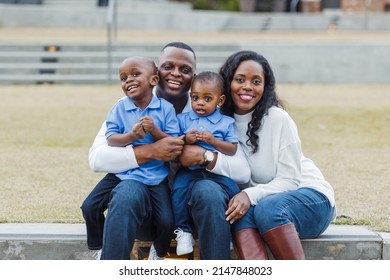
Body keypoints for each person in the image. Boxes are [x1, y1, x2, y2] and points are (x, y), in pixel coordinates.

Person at [83, 42, 250, 260]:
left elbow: (242, 171)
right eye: (168, 67)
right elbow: (97, 159)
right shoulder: (127, 104)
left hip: (193, 210)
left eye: (185, 70)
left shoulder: (208, 109)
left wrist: (204, 156)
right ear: (156, 73)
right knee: (127, 191)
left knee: (208, 190)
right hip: (148, 202)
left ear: (194, 77)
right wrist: (151, 151)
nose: (176, 74)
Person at [219, 50, 336, 260]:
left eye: (256, 81)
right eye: (239, 79)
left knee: (268, 209)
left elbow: (290, 180)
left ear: (265, 88)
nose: (248, 86)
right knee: (237, 216)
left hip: (310, 200)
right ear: (227, 83)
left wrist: (249, 195)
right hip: (262, 206)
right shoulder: (219, 124)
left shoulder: (277, 119)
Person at [103, 56, 179, 260]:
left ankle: (159, 252)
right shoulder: (120, 107)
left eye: (135, 74)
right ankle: (99, 247)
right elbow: (110, 139)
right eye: (123, 77)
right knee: (91, 206)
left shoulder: (165, 108)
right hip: (129, 175)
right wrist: (132, 136)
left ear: (153, 80)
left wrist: (153, 130)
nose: (128, 80)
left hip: (157, 177)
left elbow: (172, 142)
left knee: (166, 221)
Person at [171, 71, 240, 256]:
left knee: (234, 192)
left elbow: (232, 149)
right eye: (195, 97)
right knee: (178, 192)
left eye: (207, 98)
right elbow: (174, 143)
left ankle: (231, 233)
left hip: (216, 173)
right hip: (190, 171)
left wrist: (214, 141)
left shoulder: (226, 122)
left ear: (220, 100)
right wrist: (186, 139)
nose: (200, 103)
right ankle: (183, 231)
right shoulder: (183, 119)